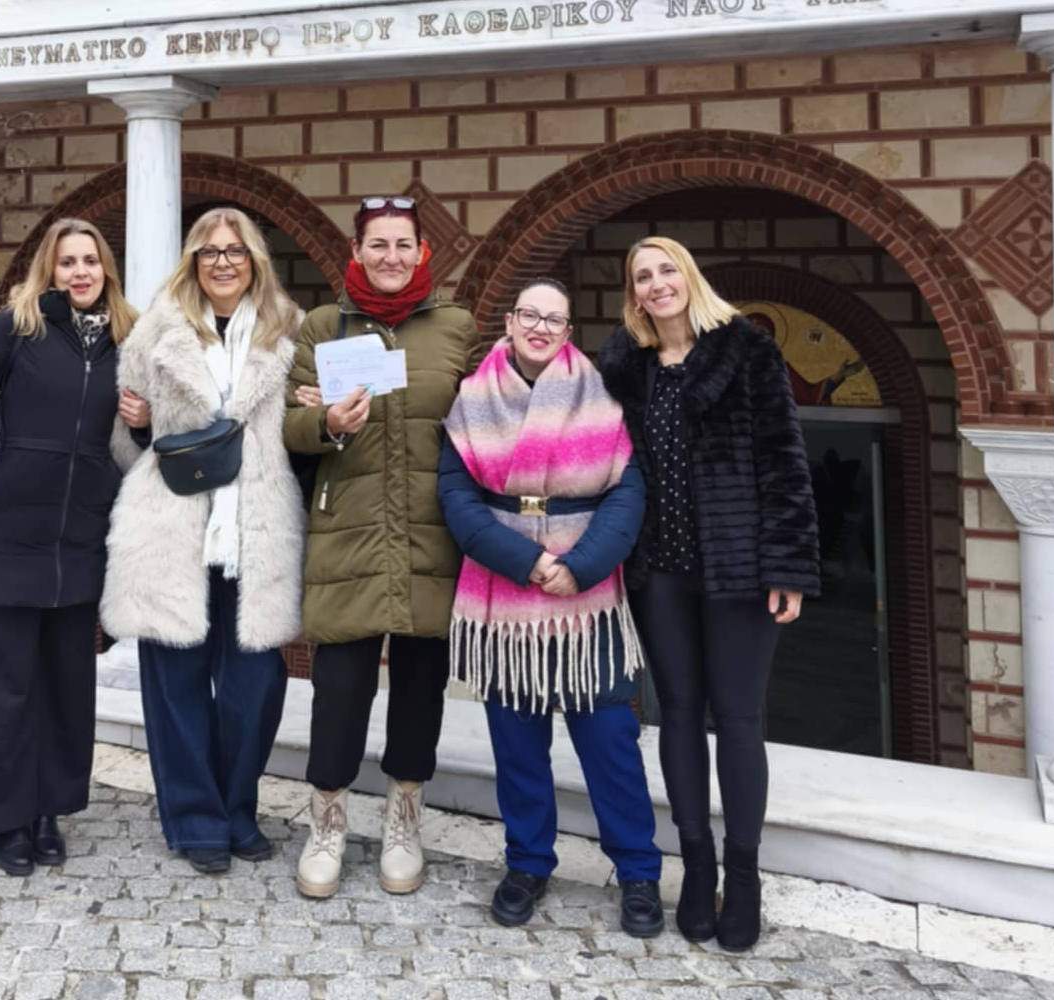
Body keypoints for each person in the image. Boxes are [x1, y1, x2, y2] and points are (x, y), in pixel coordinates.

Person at [597, 236, 819, 951]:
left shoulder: (746, 351)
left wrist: (788, 566)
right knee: (680, 715)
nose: (657, 284)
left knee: (740, 718)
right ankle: (697, 869)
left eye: (667, 270)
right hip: (658, 573)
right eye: (642, 276)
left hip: (739, 569)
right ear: (633, 295)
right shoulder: (624, 367)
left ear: (689, 277)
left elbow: (785, 460)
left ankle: (743, 876)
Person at [438, 278, 664, 935]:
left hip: (587, 601)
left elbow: (628, 490)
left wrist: (582, 565)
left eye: (554, 319)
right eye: (529, 315)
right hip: (504, 596)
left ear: (568, 332)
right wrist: (524, 560)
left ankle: (639, 872)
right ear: (510, 322)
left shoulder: (599, 394)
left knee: (610, 744)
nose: (540, 327)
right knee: (517, 749)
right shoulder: (472, 398)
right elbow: (457, 496)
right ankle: (527, 863)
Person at [285, 195, 487, 898]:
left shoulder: (457, 327)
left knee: (421, 686)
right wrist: (326, 423)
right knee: (339, 686)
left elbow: (486, 413)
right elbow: (287, 427)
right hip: (349, 530)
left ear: (422, 253)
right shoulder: (323, 326)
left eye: (404, 245)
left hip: (433, 530)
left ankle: (405, 819)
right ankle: (327, 823)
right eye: (378, 244)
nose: (391, 257)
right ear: (357, 252)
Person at [0, 217, 137, 876]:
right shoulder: (13, 330)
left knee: (62, 688)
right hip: (4, 537)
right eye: (68, 262)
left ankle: (47, 810)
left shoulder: (126, 342)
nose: (80, 272)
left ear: (106, 270)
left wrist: (144, 427)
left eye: (91, 261)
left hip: (77, 540)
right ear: (49, 270)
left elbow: (136, 436)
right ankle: (3, 818)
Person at [101, 207, 305, 875]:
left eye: (235, 251)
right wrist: (138, 426)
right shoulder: (155, 333)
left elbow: (302, 436)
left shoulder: (289, 331)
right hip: (173, 526)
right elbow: (123, 442)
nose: (223, 262)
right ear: (192, 261)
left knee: (256, 683)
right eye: (210, 251)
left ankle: (237, 807)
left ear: (254, 260)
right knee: (176, 683)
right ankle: (195, 820)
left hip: (257, 528)